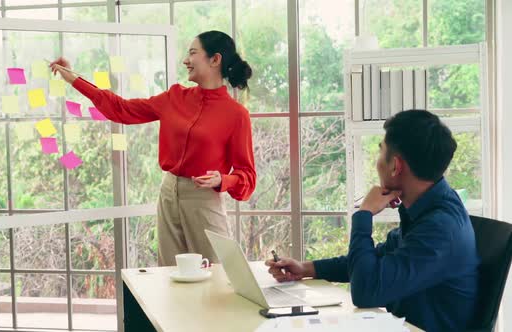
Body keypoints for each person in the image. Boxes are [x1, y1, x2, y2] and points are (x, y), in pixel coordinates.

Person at [51, 30, 256, 267]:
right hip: (169, 193)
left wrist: (223, 180)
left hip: (204, 198)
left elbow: (247, 178)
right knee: (171, 272)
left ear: (215, 59)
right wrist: (72, 78)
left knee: (218, 272)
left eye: (192, 53)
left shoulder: (236, 115)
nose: (185, 60)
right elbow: (122, 109)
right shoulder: (174, 98)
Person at [265, 110, 479, 332]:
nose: (377, 163)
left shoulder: (440, 228)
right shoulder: (430, 206)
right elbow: (375, 261)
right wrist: (306, 268)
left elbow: (365, 291)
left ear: (396, 166)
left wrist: (364, 214)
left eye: (380, 152)